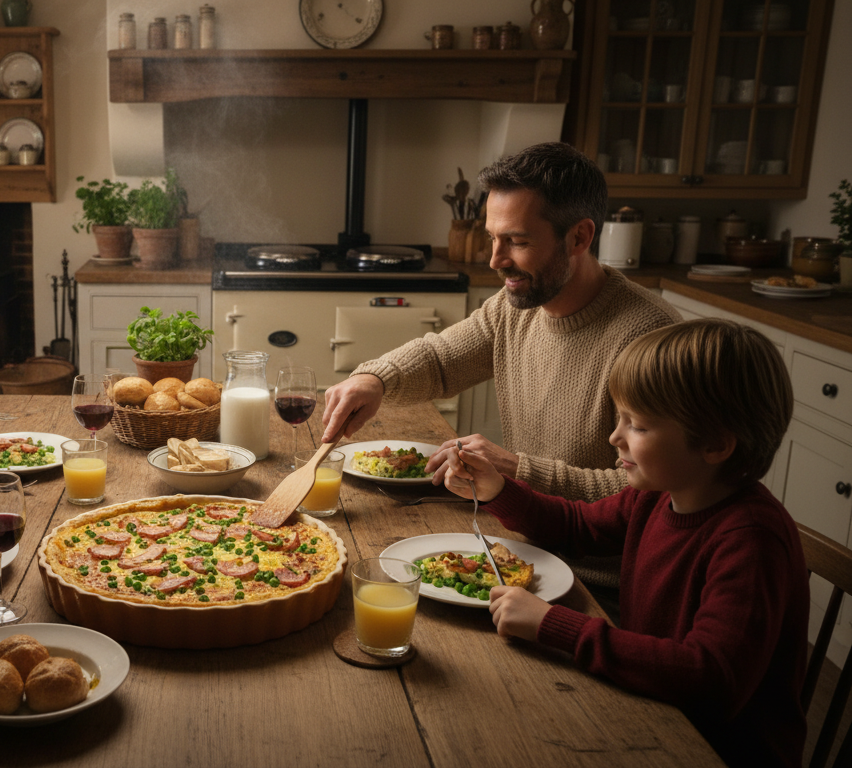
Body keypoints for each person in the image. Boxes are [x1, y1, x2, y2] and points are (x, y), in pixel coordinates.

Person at [438, 319, 807, 768]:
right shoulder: (654, 496)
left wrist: (557, 626)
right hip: (645, 701)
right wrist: (498, 489)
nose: (615, 437)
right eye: (620, 418)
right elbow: (575, 525)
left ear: (715, 445)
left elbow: (710, 679)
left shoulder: (751, 540)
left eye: (638, 426)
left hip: (712, 748)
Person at [322, 142, 681, 504]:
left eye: (517, 241)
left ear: (579, 237)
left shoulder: (652, 338)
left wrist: (517, 470)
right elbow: (440, 360)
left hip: (593, 556)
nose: (495, 260)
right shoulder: (515, 308)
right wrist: (375, 379)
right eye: (492, 238)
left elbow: (652, 493)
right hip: (522, 526)